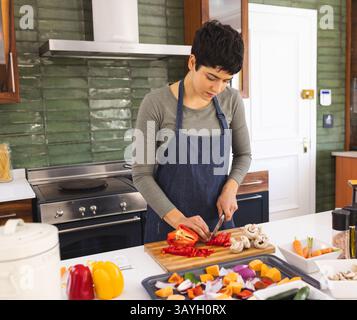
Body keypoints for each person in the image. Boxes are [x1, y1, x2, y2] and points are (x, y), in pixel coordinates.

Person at [132, 20, 251, 243]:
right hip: (170, 230)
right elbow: (141, 174)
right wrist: (179, 219)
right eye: (211, 77)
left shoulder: (232, 101)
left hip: (219, 226)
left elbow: (244, 155)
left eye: (227, 80)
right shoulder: (155, 104)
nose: (217, 89)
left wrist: (231, 188)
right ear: (192, 61)